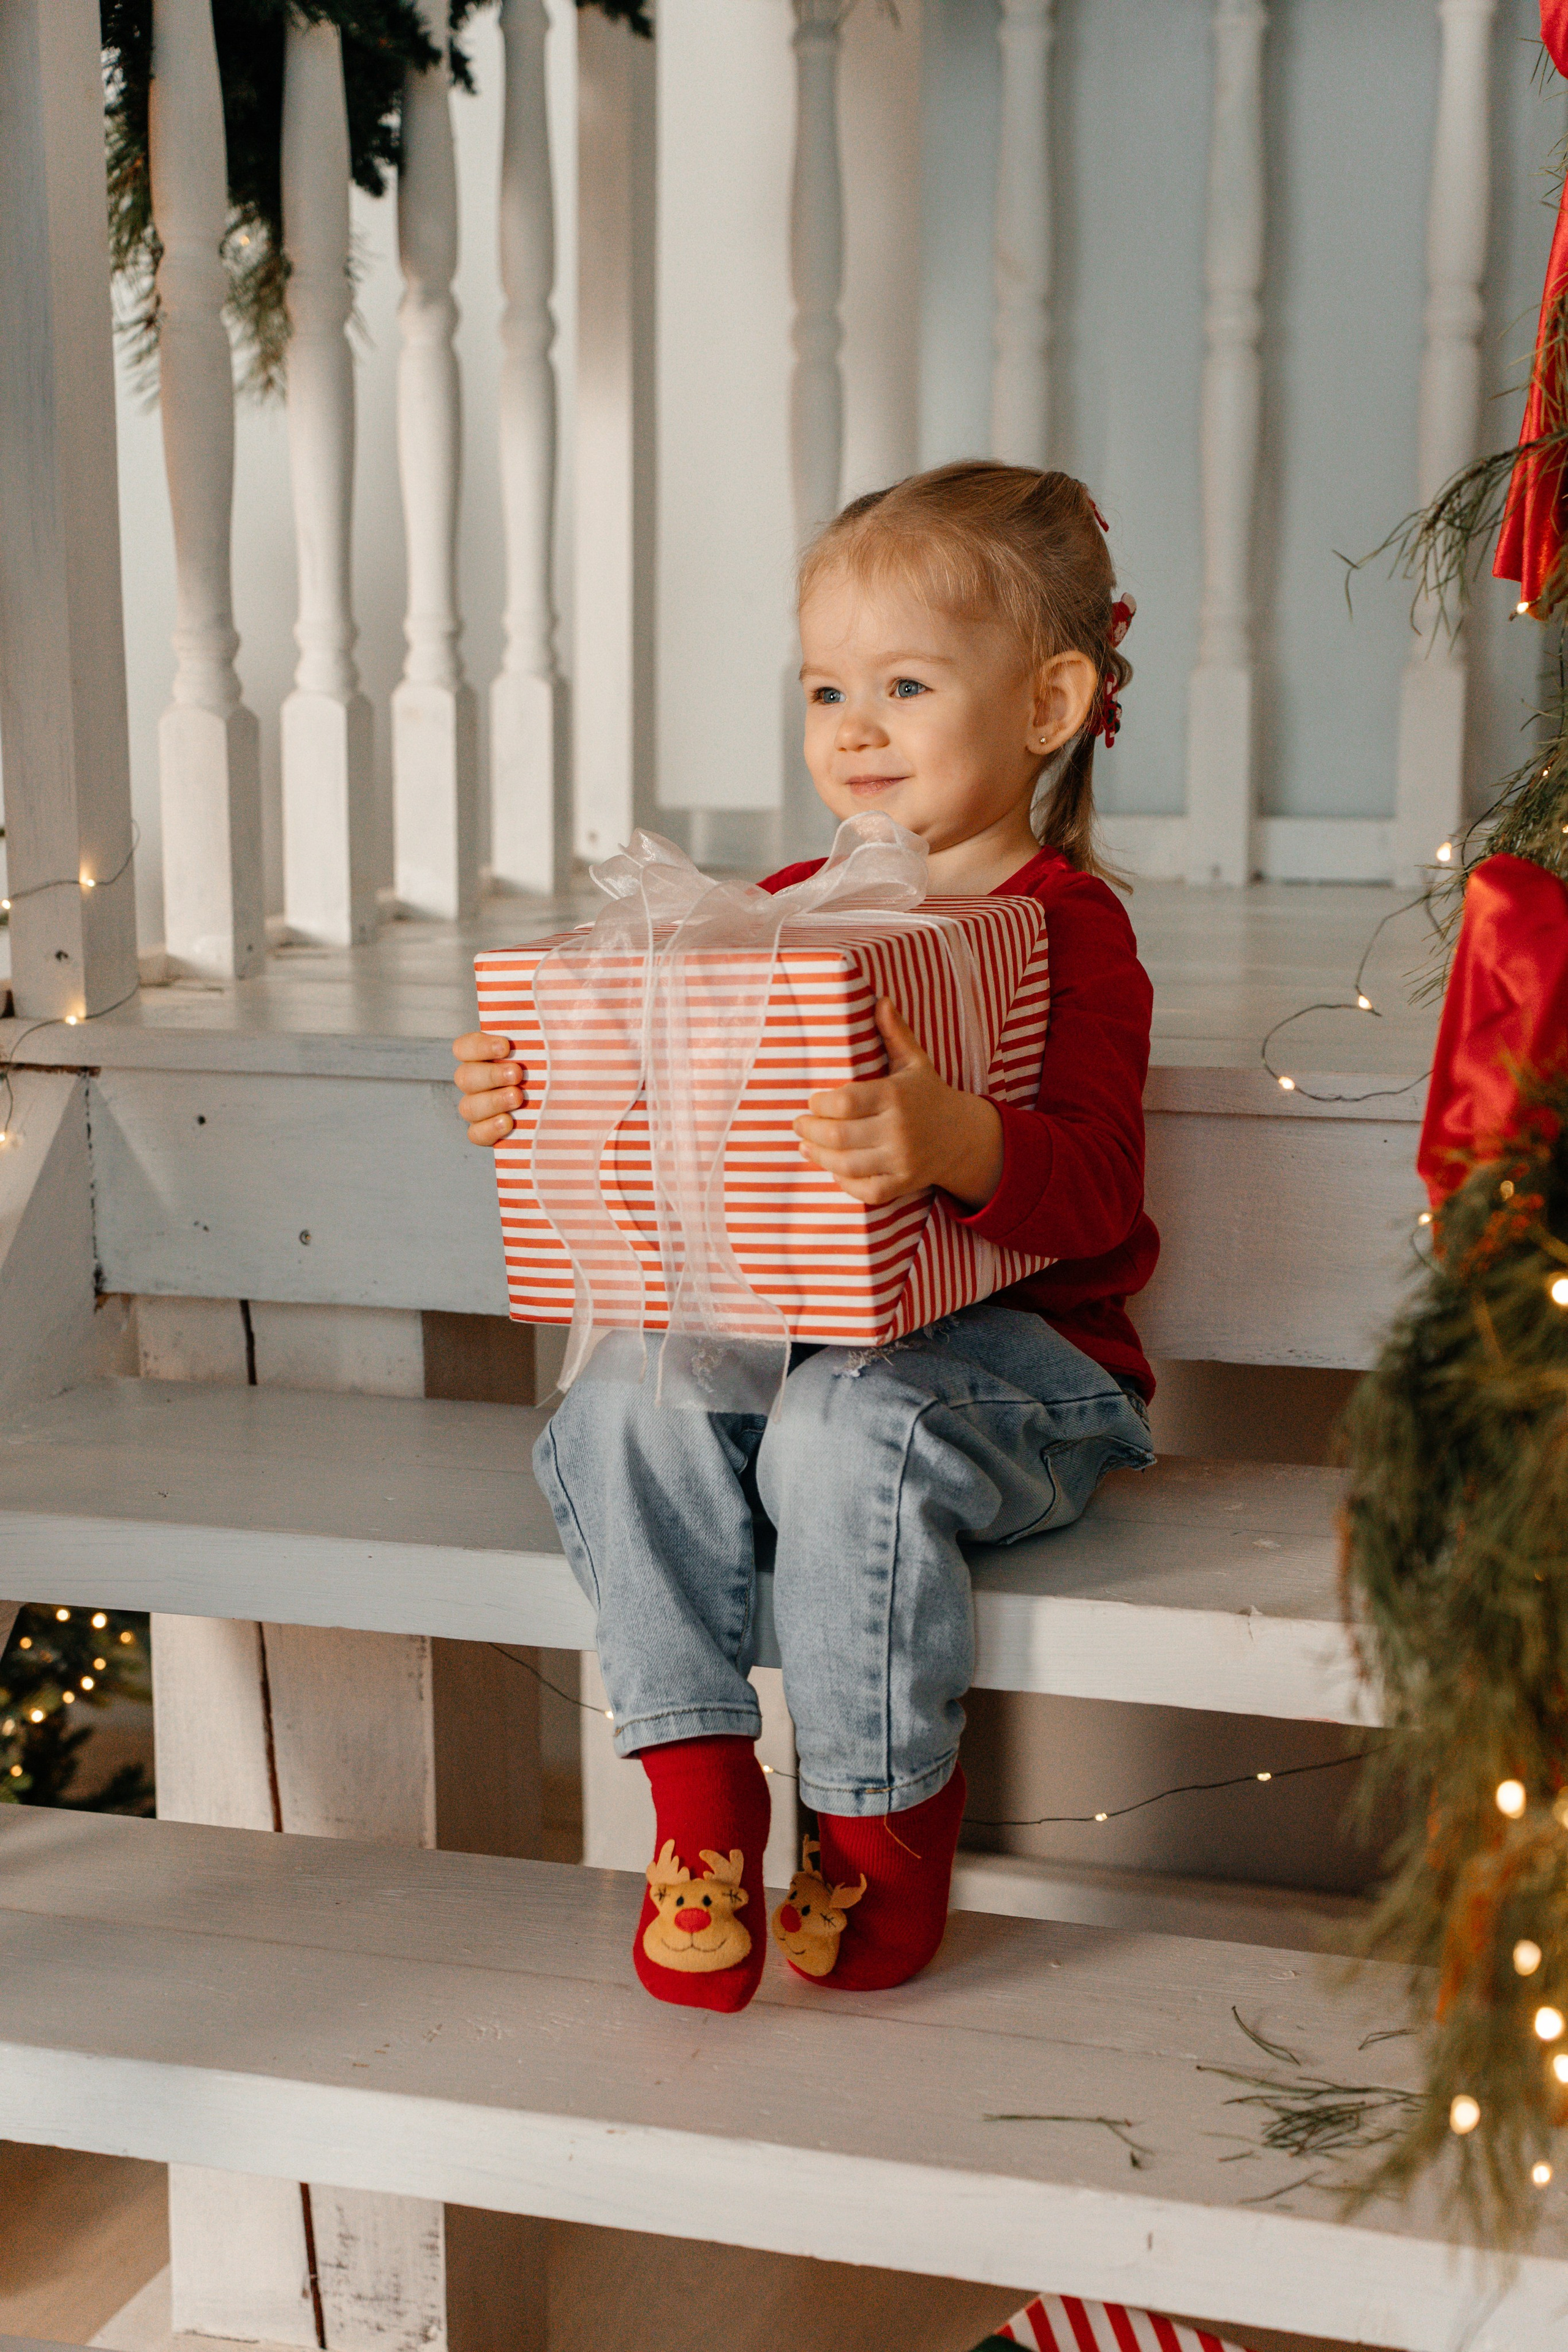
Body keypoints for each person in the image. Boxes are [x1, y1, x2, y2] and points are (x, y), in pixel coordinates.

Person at [451, 462, 1159, 2013]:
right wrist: (537, 1088)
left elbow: (1101, 1188)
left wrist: (959, 1139)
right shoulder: (768, 914)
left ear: (1046, 702)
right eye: (827, 687)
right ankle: (701, 1801)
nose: (853, 726)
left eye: (905, 685)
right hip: (791, 1348)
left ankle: (875, 1825)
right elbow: (665, 1106)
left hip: (1020, 1379)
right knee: (627, 1392)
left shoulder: (1065, 926)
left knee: (850, 1423)